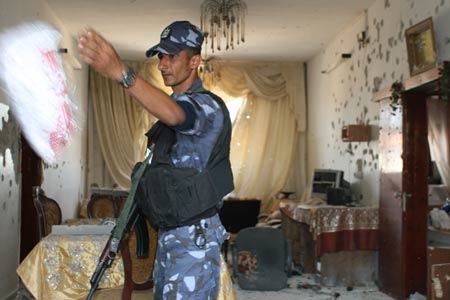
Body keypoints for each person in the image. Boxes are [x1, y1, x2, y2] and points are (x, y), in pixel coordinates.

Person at [78, 21, 234, 300]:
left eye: (172, 56)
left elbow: (176, 114)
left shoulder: (207, 107)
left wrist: (122, 73)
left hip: (193, 240)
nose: (163, 64)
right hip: (172, 234)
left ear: (194, 61)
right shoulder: (170, 113)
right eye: (161, 56)